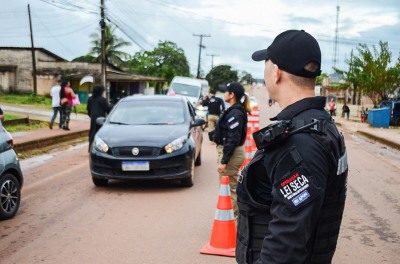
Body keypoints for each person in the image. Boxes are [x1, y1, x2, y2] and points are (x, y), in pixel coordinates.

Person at [236, 30, 348, 264]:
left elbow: (285, 248)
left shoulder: (300, 142)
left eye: (266, 65)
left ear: (276, 73)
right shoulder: (320, 125)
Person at [209, 82, 251, 218]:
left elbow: (232, 139)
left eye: (226, 91)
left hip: (232, 154)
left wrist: (224, 161)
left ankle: (232, 220)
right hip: (230, 152)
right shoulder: (234, 110)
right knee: (227, 187)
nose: (224, 93)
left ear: (232, 95)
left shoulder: (236, 113)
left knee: (229, 188)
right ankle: (232, 218)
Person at [87, 84, 112, 151]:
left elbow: (88, 110)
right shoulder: (102, 99)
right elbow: (108, 109)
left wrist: (92, 116)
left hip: (93, 118)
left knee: (92, 132)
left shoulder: (90, 99)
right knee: (101, 134)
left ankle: (90, 148)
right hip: (101, 119)